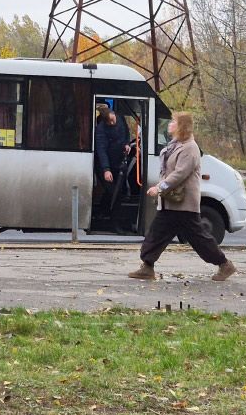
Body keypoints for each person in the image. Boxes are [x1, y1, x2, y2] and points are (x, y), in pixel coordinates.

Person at [129, 111, 237, 282]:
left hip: (183, 204)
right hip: (171, 203)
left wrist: (159, 188)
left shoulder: (190, 148)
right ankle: (147, 266)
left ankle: (224, 264)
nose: (170, 124)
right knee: (156, 234)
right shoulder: (176, 144)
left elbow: (180, 174)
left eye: (173, 122)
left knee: (199, 238)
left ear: (182, 127)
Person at [93, 103, 130, 186]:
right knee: (111, 191)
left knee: (121, 188)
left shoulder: (121, 118)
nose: (112, 123)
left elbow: (126, 133)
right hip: (107, 163)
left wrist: (127, 144)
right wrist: (106, 169)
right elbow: (101, 150)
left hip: (120, 161)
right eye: (109, 122)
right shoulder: (100, 130)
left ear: (114, 114)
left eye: (113, 119)